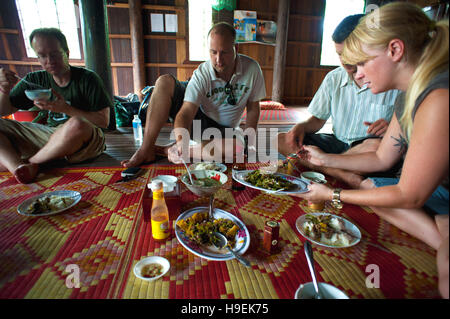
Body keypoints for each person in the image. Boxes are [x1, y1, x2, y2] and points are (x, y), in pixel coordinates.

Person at [292, 2, 448, 298]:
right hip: (437, 194)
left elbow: (409, 194)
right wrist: (324, 158)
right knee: (373, 192)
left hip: (432, 194)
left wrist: (332, 194)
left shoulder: (438, 96)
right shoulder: (409, 94)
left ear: (395, 50)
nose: (358, 75)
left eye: (362, 63)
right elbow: (381, 157)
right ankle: (442, 231)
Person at [276, 14, 401, 188]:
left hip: (366, 149)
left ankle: (328, 165)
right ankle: (343, 174)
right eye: (339, 54)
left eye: (349, 54)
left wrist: (391, 129)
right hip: (337, 143)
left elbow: (404, 141)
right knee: (282, 140)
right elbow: (318, 119)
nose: (344, 61)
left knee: (374, 147)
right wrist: (301, 127)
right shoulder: (334, 78)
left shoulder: (392, 81)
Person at [123, 22, 265, 167]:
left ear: (236, 48)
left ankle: (169, 150)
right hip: (198, 121)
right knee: (164, 82)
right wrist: (181, 143)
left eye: (224, 52)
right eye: (213, 52)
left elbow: (253, 109)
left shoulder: (252, 69)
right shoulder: (202, 73)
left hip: (226, 131)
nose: (218, 60)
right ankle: (146, 149)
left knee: (236, 149)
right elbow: (185, 113)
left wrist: (249, 142)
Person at [0, 28, 112, 184]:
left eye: (54, 54)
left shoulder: (87, 79)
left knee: (77, 124)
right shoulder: (34, 80)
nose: (49, 60)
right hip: (48, 135)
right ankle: (19, 167)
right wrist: (4, 90)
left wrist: (66, 109)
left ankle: (31, 163)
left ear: (67, 52)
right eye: (42, 56)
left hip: (84, 139)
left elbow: (103, 121)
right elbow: (4, 111)